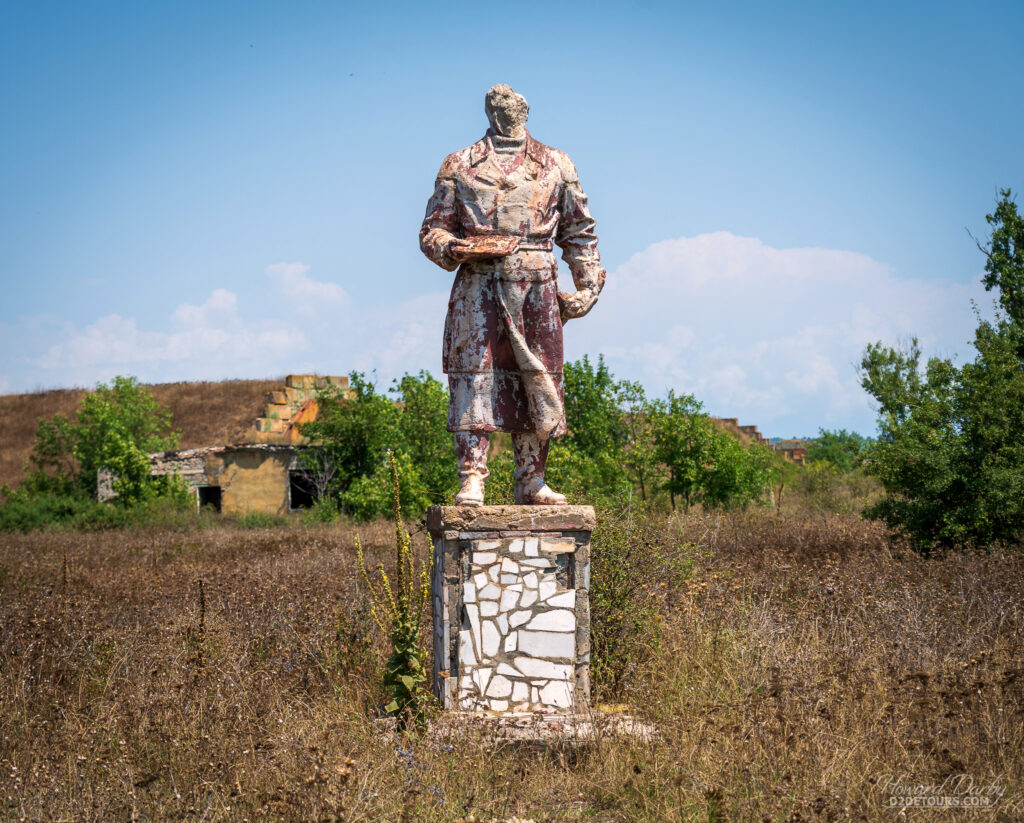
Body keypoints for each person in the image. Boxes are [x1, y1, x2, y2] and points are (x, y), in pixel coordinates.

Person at [419, 84, 606, 506]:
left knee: (538, 380)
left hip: (537, 285)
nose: (503, 109)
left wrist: (589, 286)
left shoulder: (556, 163)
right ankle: (472, 477)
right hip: (478, 284)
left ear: (525, 110)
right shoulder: (460, 163)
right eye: (495, 105)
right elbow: (433, 228)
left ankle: (531, 478)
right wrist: (453, 248)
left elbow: (579, 232)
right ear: (487, 112)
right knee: (474, 378)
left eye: (512, 104)